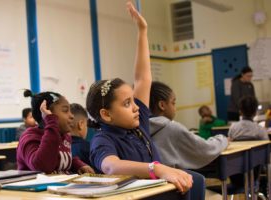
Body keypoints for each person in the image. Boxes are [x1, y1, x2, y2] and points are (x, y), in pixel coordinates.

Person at [88, 2, 205, 199]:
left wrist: (142, 31)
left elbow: (143, 79)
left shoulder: (137, 123)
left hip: (158, 191)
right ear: (106, 114)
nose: (136, 108)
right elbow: (110, 166)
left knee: (195, 179)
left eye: (133, 100)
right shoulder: (102, 140)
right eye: (126, 104)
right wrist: (156, 169)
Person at [149, 81, 228, 170]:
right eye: (173, 103)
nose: (175, 108)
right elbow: (206, 149)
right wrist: (223, 139)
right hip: (172, 179)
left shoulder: (139, 129)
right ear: (162, 105)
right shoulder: (172, 128)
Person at [17, 89, 95, 174]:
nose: (72, 116)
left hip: (62, 185)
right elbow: (42, 166)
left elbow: (58, 159)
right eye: (65, 111)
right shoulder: (29, 137)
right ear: (46, 113)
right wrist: (51, 121)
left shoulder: (65, 136)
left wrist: (77, 164)